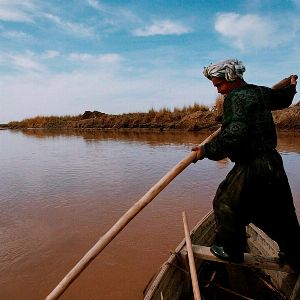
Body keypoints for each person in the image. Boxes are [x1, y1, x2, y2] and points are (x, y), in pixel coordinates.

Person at [192, 58, 300, 271]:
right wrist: (292, 86)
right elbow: (283, 99)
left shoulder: (235, 98)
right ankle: (294, 256)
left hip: (253, 165)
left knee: (225, 202)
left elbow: (234, 135)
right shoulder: (259, 92)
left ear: (232, 78)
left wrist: (205, 151)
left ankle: (231, 251)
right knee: (282, 213)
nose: (219, 91)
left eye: (219, 85)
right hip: (273, 163)